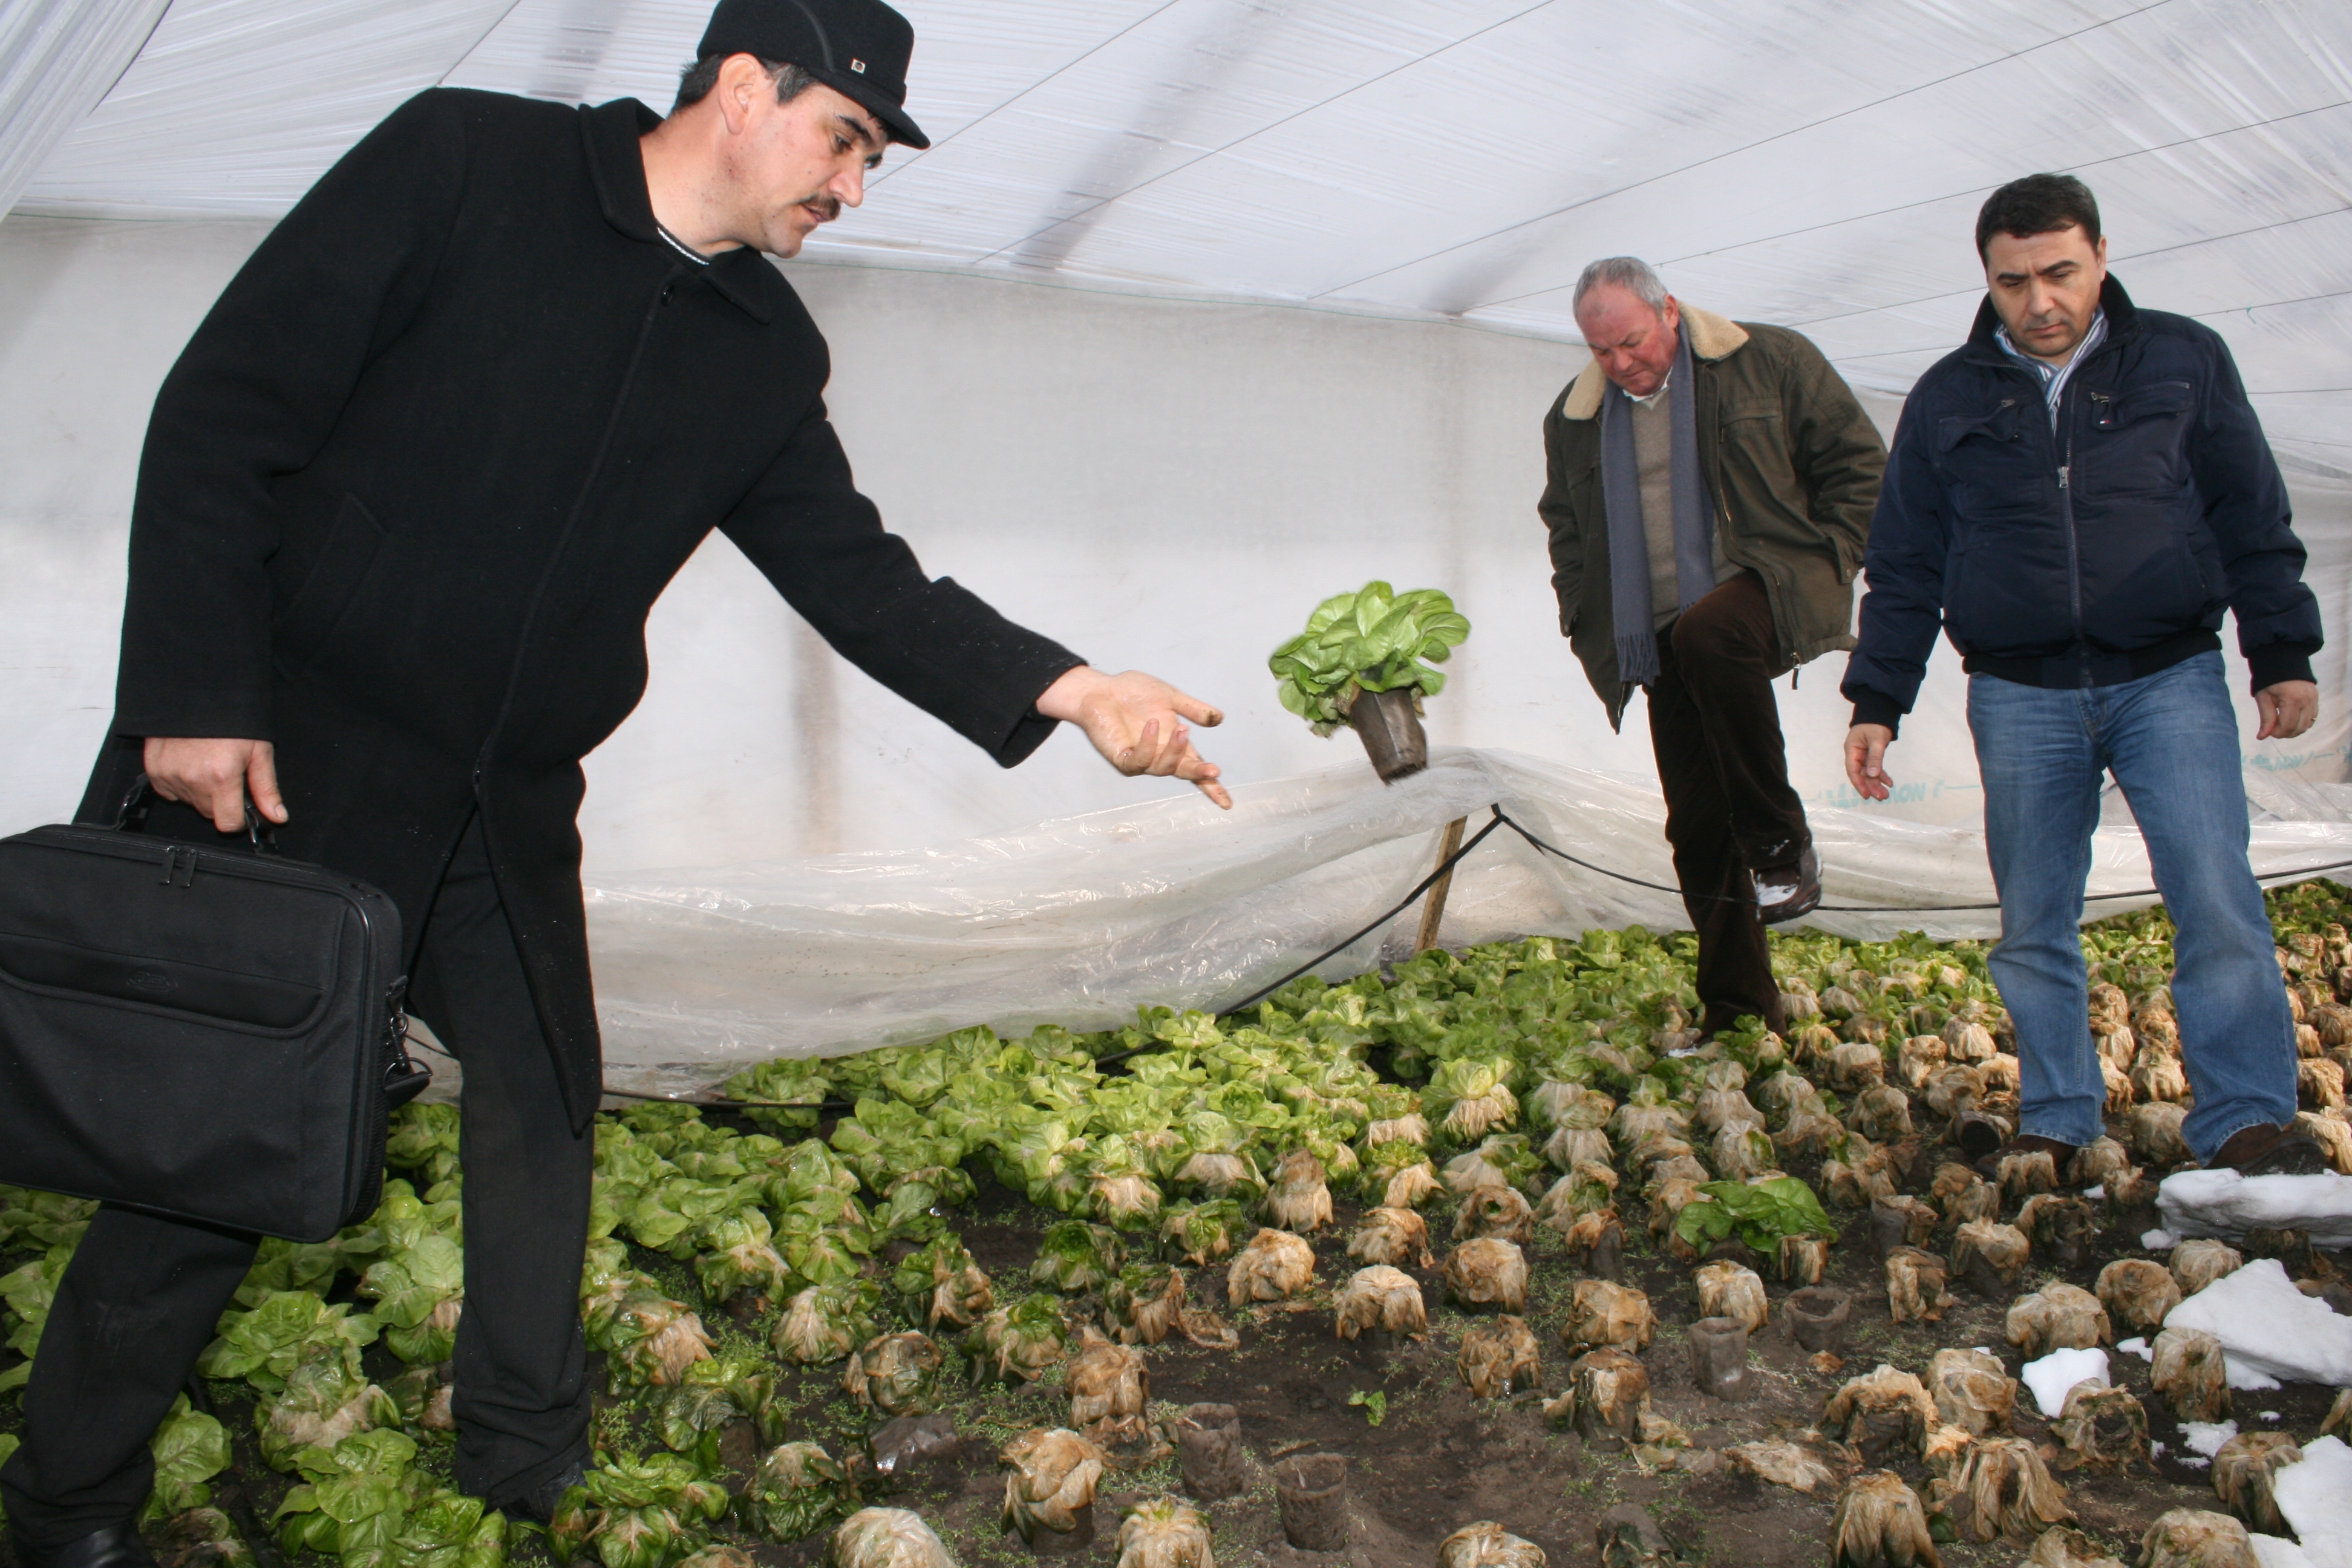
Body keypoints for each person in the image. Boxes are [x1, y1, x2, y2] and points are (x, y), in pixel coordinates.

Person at [0, 2, 1233, 1562]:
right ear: (740, 89)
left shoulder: (765, 352)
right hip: (289, 766)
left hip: (501, 798)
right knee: (206, 1155)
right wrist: (191, 688)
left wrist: (1067, 687)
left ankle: (521, 1455)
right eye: (845, 140)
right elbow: (225, 406)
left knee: (543, 1102)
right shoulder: (465, 162)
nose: (855, 190)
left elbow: (859, 578)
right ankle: (65, 1512)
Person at [1841, 172, 2325, 1179]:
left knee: (2213, 890)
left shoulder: (2181, 361)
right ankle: (2059, 1115)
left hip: (2170, 676)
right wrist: (1876, 698)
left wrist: (2278, 650)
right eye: (2013, 280)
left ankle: (2242, 1117)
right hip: (2019, 693)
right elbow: (1905, 560)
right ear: (1987, 277)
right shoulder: (1947, 396)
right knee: (2033, 914)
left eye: (2058, 272)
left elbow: (2248, 509)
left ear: (2099, 256)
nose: (2039, 301)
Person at [1540, 257, 1885, 1035]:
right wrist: (1579, 607)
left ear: (1668, 311)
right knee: (1694, 825)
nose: (1621, 363)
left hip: (1764, 585)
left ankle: (1779, 842)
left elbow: (1860, 466)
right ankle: (1736, 1006)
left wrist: (1831, 556)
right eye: (1602, 352)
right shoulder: (1575, 418)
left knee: (1713, 630)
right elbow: (1565, 521)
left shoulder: (1770, 361)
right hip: (1654, 629)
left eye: (1632, 342)